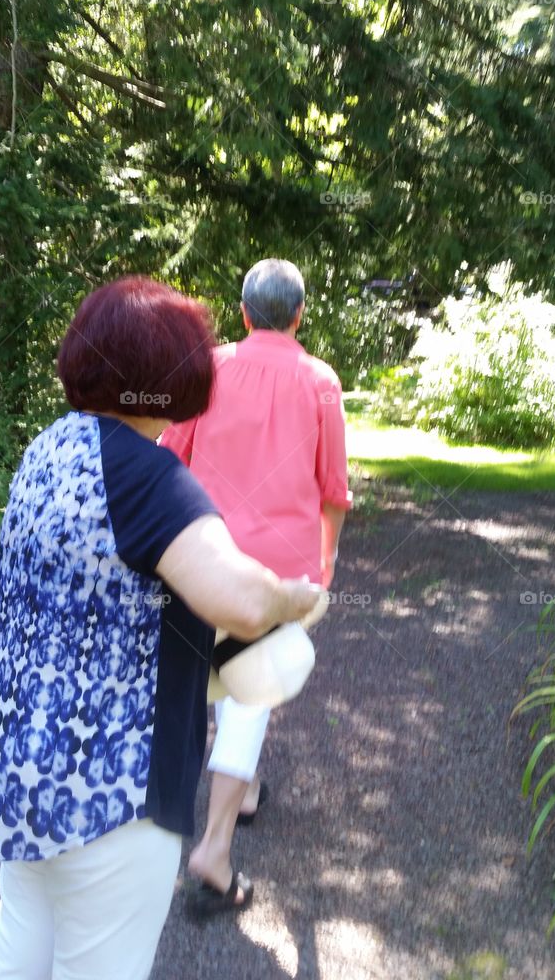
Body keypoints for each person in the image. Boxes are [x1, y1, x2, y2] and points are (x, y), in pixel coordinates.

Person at [0, 275, 321, 980]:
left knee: (17, 952)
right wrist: (293, 597)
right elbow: (241, 600)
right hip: (110, 795)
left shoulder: (49, 449)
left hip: (20, 764)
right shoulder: (147, 479)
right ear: (176, 380)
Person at [161, 258, 352, 917]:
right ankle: (212, 852)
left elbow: (165, 461)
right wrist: (323, 566)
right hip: (277, 573)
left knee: (210, 680)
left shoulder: (206, 367)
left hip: (200, 559)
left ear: (243, 313)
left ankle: (236, 796)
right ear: (298, 315)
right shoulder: (320, 381)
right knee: (247, 695)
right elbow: (333, 493)